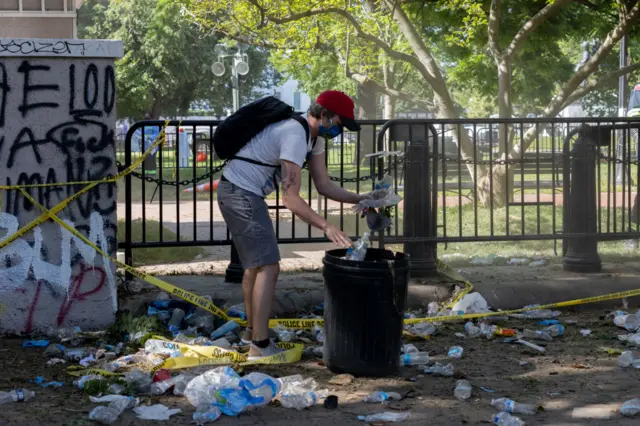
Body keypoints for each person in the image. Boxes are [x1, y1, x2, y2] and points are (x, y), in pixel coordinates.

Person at [217, 90, 370, 359]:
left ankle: (252, 334)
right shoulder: (294, 134)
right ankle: (260, 346)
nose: (340, 129)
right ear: (323, 114)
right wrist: (326, 226)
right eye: (339, 122)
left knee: (256, 265)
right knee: (269, 266)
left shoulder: (315, 139)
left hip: (241, 192)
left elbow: (323, 185)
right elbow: (290, 197)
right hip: (239, 193)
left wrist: (362, 198)